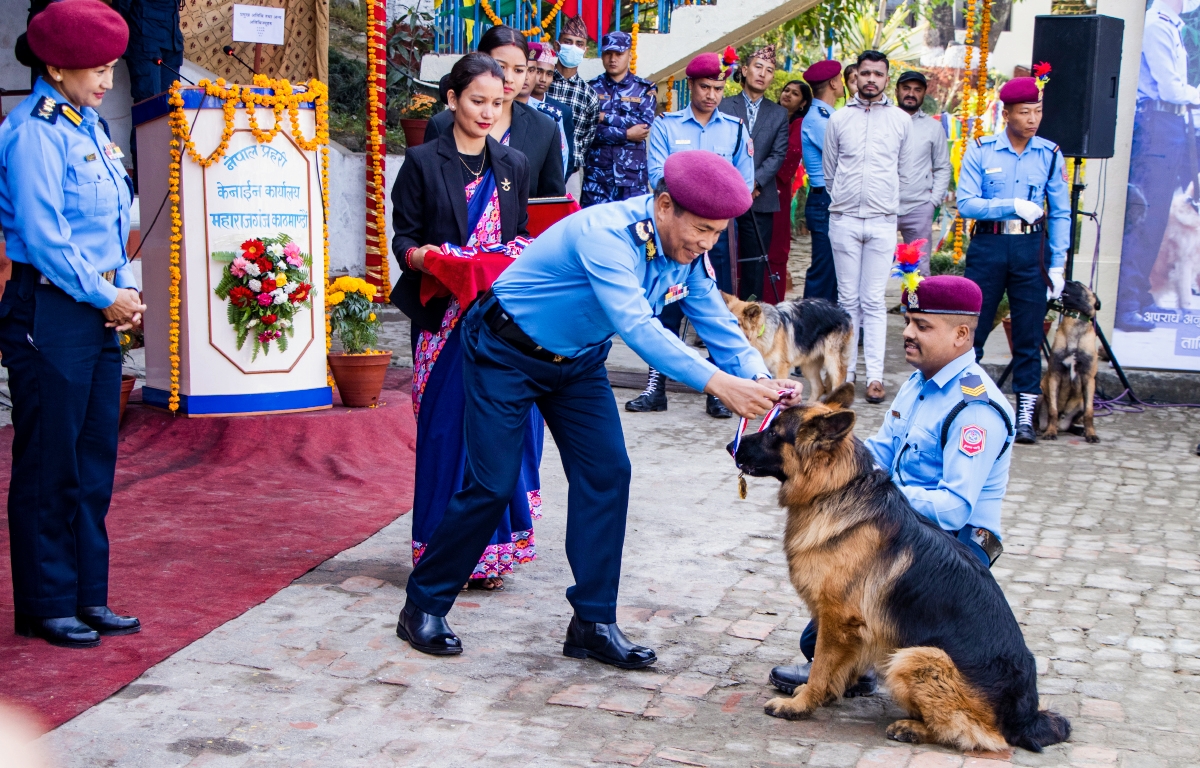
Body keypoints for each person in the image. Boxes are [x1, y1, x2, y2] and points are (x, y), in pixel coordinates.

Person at [394, 150, 804, 665]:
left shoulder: (687, 253)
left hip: (578, 362)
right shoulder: (607, 235)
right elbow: (638, 326)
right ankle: (423, 605)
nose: (707, 243)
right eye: (701, 229)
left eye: (717, 234)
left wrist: (761, 381)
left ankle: (592, 622)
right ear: (663, 204)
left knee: (608, 473)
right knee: (492, 484)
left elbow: (717, 322)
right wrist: (720, 385)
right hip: (504, 351)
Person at [768, 275, 1015, 697]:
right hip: (898, 528)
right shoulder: (919, 384)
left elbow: (953, 507)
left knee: (841, 627)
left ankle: (869, 665)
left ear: (961, 334)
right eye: (909, 321)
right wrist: (808, 418)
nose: (909, 334)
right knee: (824, 635)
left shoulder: (975, 409)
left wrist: (876, 494)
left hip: (952, 545)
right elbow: (878, 451)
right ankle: (862, 662)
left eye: (923, 325)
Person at [1, 0, 145, 649]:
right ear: (56, 65)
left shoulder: (87, 126)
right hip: (53, 307)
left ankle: (88, 595)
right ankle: (45, 601)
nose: (108, 81)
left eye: (112, 67)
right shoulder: (33, 132)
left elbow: (115, 226)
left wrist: (125, 293)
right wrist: (104, 295)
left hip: (97, 308)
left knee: (93, 461)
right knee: (49, 463)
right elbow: (44, 235)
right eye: (97, 68)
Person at [391, 53, 537, 592]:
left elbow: (520, 234)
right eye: (477, 101)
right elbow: (402, 241)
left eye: (497, 104)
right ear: (451, 100)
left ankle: (491, 551)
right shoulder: (423, 162)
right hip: (441, 314)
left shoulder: (512, 164)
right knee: (445, 428)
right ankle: (437, 548)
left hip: (496, 318)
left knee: (493, 431)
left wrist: (504, 257)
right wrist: (429, 259)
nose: (487, 112)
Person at [633, 51, 753, 417]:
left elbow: (744, 185)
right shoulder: (667, 127)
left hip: (715, 235)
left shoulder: (734, 130)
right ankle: (657, 386)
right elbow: (657, 177)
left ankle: (719, 388)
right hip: (672, 232)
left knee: (717, 309)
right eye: (705, 87)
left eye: (718, 88)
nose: (712, 95)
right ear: (691, 86)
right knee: (663, 304)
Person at [956, 76, 1069, 444]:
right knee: (972, 330)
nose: (1033, 119)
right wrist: (1010, 205)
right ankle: (967, 404)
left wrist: (1058, 262)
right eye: (1024, 112)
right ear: (1006, 114)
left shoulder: (1049, 154)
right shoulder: (981, 149)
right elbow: (967, 203)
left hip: (1029, 249)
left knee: (1029, 333)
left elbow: (1061, 213)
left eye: (1037, 111)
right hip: (988, 246)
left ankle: (1024, 415)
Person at [824, 50, 913, 404]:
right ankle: (848, 374)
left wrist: (884, 205)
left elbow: (904, 172)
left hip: (882, 220)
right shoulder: (839, 119)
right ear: (855, 77)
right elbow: (830, 171)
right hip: (844, 218)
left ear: (886, 79)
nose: (872, 79)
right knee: (847, 300)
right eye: (866, 73)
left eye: (878, 73)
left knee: (874, 300)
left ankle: (875, 376)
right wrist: (846, 199)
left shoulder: (900, 121)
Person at [1115, 0, 1199, 332]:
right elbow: (1171, 87)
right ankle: (1126, 303)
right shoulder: (1156, 25)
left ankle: (1139, 291)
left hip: (1170, 124)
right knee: (1145, 216)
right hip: (1156, 124)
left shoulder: (1169, 24)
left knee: (1159, 215)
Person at [425, 25, 565, 198]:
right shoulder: (443, 125)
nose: (509, 78)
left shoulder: (545, 130)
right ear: (479, 61)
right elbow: (425, 198)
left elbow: (551, 204)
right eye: (500, 67)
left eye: (519, 70)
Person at [719, 45, 790, 303]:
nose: (762, 73)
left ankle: (748, 322)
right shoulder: (724, 105)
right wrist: (737, 184)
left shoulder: (779, 114)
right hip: (724, 195)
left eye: (769, 70)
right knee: (720, 259)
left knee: (754, 263)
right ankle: (716, 319)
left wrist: (754, 182)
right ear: (745, 70)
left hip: (759, 198)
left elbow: (777, 155)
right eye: (758, 67)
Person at [581, 32, 657, 207]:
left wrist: (603, 117)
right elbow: (590, 130)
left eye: (619, 54)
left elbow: (643, 125)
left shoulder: (645, 88)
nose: (612, 59)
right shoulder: (591, 88)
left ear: (629, 55)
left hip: (632, 180)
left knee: (633, 229)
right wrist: (626, 135)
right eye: (608, 53)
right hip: (597, 179)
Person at [895, 71, 951, 276]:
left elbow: (943, 166)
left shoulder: (933, 127)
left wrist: (933, 202)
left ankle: (913, 308)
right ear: (897, 90)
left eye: (917, 90)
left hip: (919, 207)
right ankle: (872, 309)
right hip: (882, 206)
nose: (911, 94)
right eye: (906, 88)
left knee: (919, 269)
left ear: (924, 93)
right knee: (877, 266)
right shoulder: (885, 121)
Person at [800, 59, 844, 303]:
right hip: (824, 199)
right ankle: (810, 327)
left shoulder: (830, 115)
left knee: (836, 270)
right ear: (834, 83)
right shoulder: (819, 119)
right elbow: (843, 156)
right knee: (824, 270)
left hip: (831, 198)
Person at [767, 79, 812, 301]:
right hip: (756, 183)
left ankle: (772, 299)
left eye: (795, 94)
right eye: (786, 90)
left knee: (775, 243)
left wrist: (764, 171)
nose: (788, 95)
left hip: (777, 187)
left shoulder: (799, 124)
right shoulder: (769, 115)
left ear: (803, 103)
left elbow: (791, 154)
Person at [547, 15, 600, 199]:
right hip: (537, 164)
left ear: (585, 51)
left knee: (567, 220)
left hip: (572, 172)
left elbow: (587, 137)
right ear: (557, 45)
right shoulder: (541, 83)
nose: (573, 47)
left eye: (579, 44)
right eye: (568, 42)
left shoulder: (589, 95)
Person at [525, 42, 574, 177]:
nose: (543, 79)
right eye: (538, 71)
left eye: (549, 74)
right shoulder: (511, 104)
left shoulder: (561, 112)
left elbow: (567, 158)